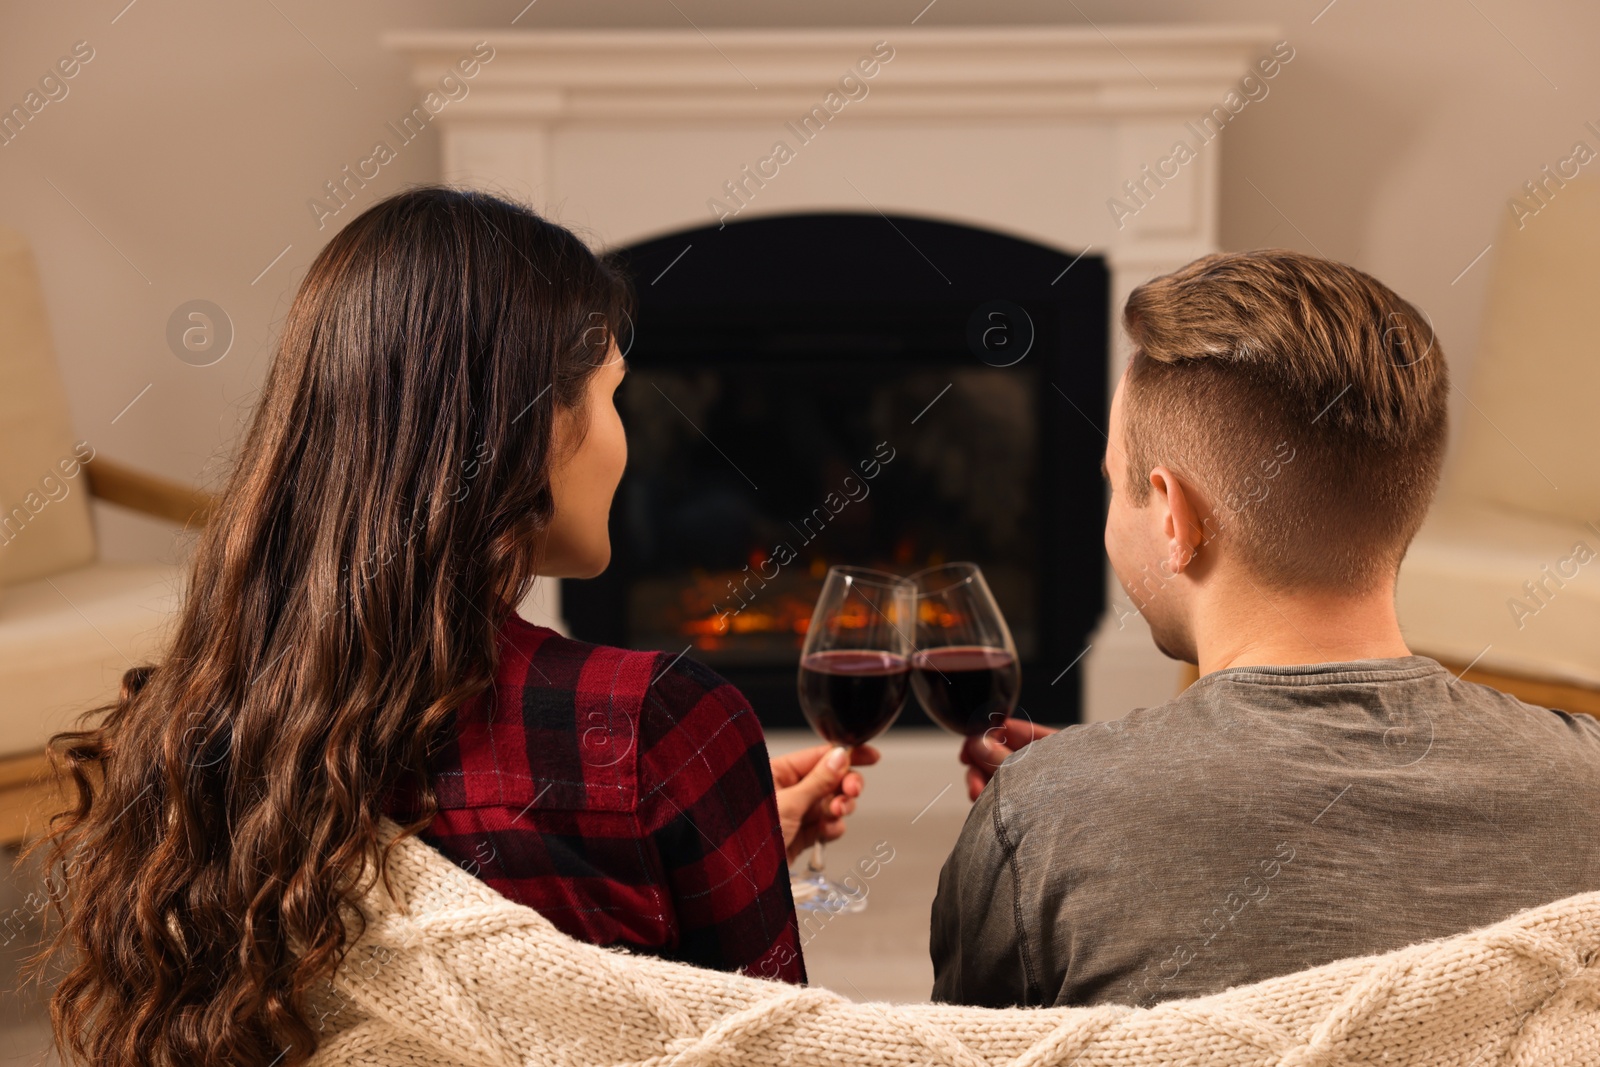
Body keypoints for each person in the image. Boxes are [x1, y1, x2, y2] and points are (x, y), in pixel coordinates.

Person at [24, 187, 875, 1067]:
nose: (624, 442)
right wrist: (694, 808)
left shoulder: (193, 737)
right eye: (613, 396)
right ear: (532, 426)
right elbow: (778, 1047)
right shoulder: (659, 722)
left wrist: (722, 834)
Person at [930, 248, 1600, 1010]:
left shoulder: (1034, 822)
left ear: (1174, 516)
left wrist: (1073, 804)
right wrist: (1103, 787)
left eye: (1113, 482)